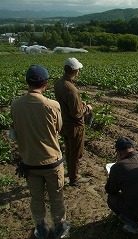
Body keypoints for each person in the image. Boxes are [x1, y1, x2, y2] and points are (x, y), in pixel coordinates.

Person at [11, 65, 70, 239]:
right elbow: (58, 128)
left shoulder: (16, 105)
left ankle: (41, 228)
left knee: (36, 199)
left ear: (27, 82)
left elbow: (15, 130)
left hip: (29, 162)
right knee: (56, 196)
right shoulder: (52, 105)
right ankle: (59, 227)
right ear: (45, 83)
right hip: (51, 161)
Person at [54, 57, 93, 186]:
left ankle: (70, 171)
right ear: (75, 71)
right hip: (74, 126)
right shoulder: (71, 89)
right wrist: (86, 108)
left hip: (63, 123)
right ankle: (74, 177)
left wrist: (78, 104)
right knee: (76, 152)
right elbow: (76, 114)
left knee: (69, 149)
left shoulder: (58, 83)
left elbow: (66, 104)